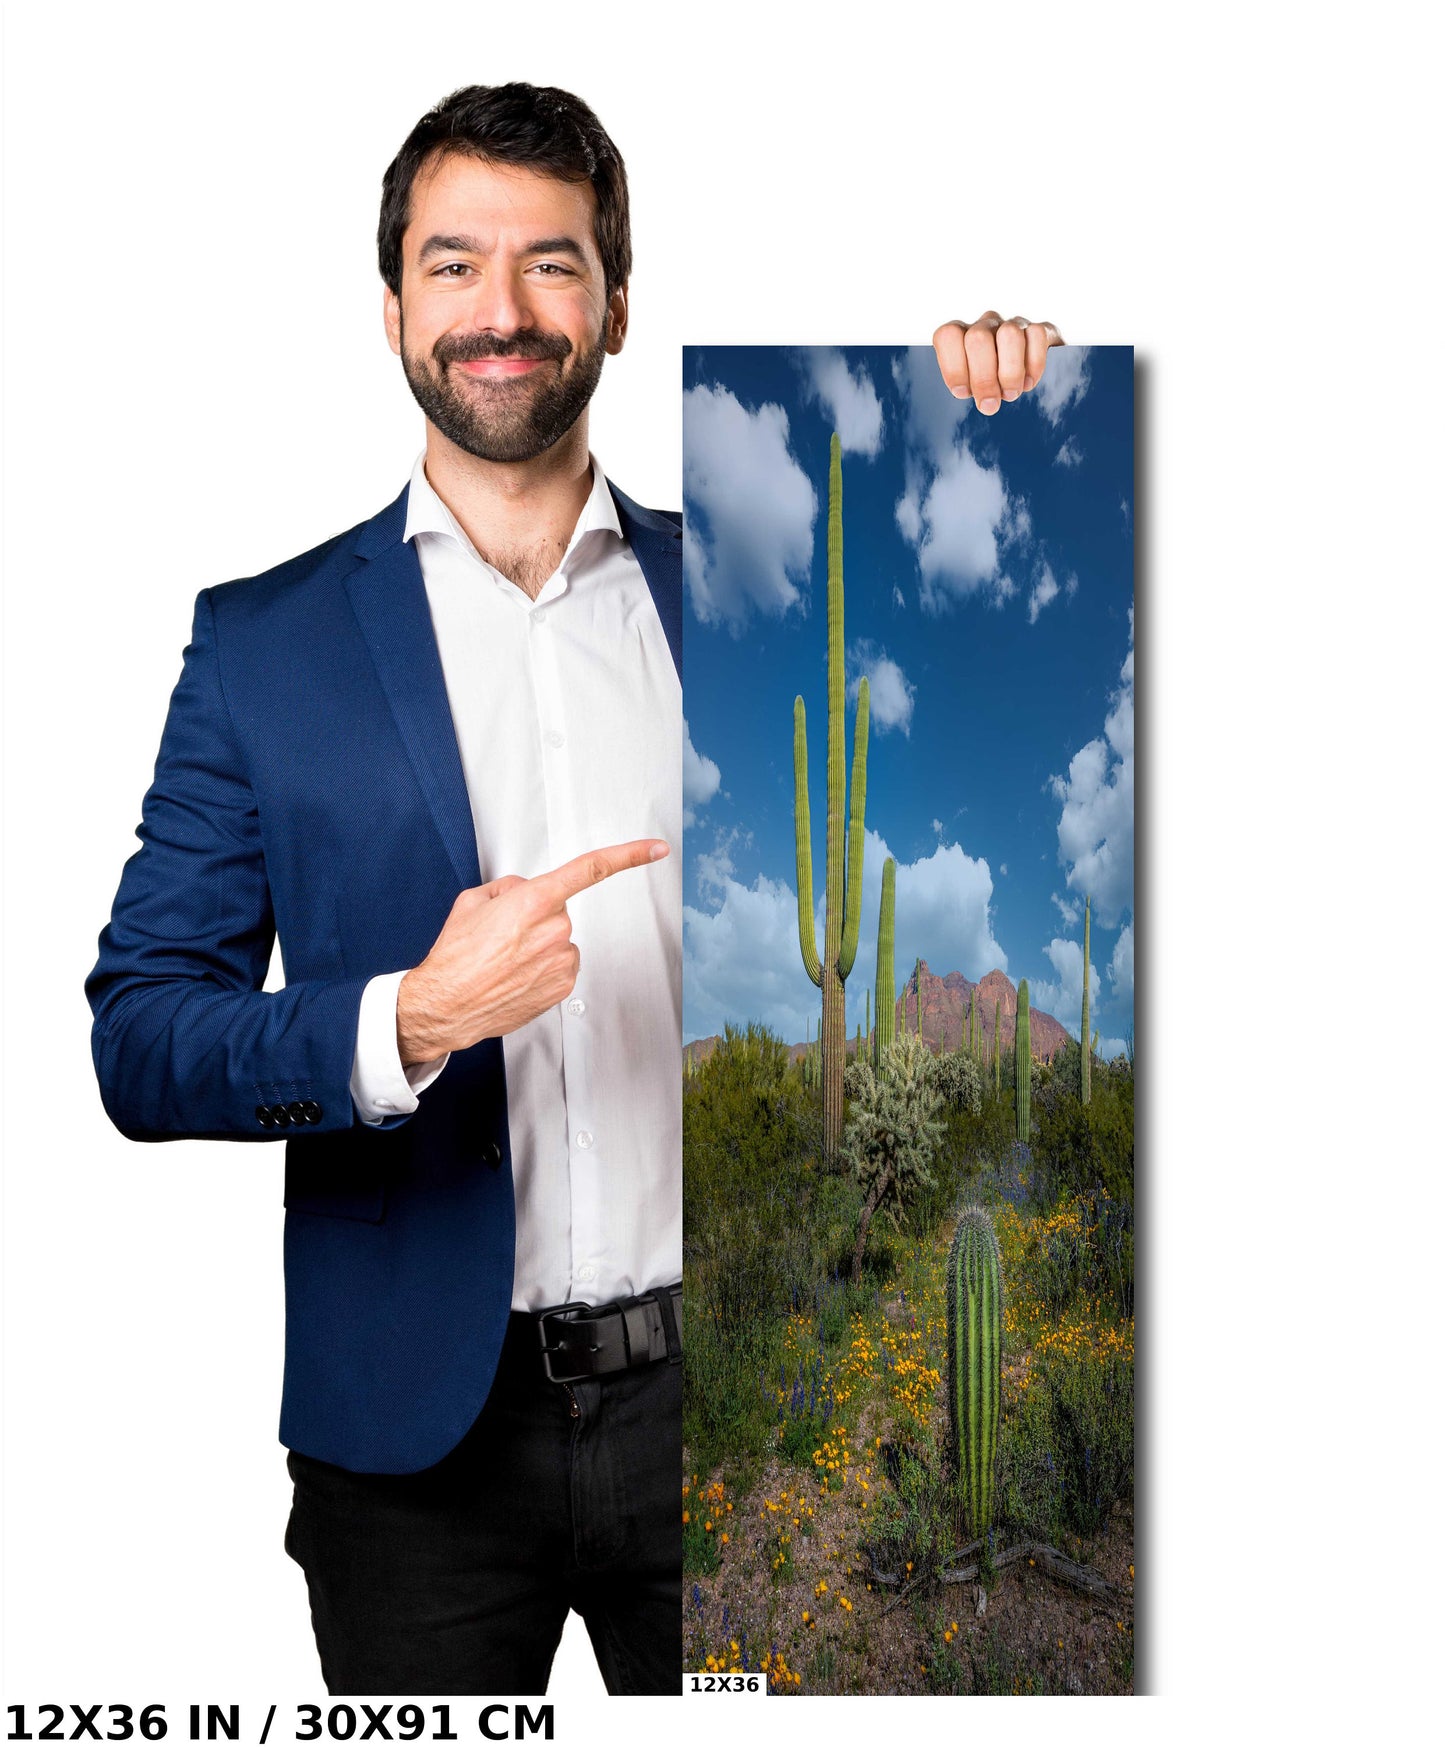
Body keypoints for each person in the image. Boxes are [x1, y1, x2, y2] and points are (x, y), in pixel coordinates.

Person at [85, 81, 1064, 1698]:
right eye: (453, 262)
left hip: (718, 1401)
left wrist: (998, 391)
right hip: (414, 1459)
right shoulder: (261, 648)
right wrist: (402, 1020)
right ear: (392, 301)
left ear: (616, 301)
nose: (501, 310)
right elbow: (140, 1040)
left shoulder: (728, 598)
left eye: (551, 263)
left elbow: (959, 574)